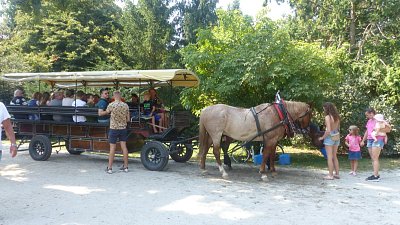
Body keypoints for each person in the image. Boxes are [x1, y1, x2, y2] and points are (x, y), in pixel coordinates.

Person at [361, 109, 391, 182]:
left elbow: (388, 129)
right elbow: (367, 131)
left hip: (378, 139)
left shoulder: (379, 120)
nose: (366, 116)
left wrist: (378, 131)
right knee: (373, 158)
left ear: (371, 113)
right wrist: (363, 140)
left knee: (375, 158)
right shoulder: (369, 121)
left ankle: (376, 176)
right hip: (370, 139)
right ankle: (376, 174)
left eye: (367, 115)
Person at [105, 91, 130, 174]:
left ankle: (110, 168)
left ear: (114, 96)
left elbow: (106, 112)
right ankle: (126, 167)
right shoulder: (125, 105)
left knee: (112, 148)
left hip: (113, 128)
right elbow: (128, 119)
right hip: (123, 128)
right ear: (120, 96)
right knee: (124, 147)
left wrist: (101, 112)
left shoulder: (111, 105)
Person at [318, 102, 340, 180]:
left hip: (330, 138)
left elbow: (328, 130)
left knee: (329, 157)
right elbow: (337, 128)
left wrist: (322, 137)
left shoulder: (327, 117)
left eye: (324, 108)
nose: (323, 109)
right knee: (335, 156)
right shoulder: (337, 116)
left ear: (326, 108)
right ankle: (337, 174)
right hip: (336, 136)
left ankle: (330, 175)